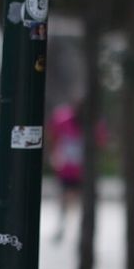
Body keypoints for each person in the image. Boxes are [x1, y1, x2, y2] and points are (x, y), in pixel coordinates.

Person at [48, 100, 105, 243]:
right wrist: (54, 155)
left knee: (83, 202)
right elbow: (52, 136)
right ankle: (61, 227)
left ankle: (82, 231)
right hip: (66, 169)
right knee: (64, 199)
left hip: (84, 171)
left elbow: (101, 143)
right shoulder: (62, 120)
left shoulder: (94, 124)